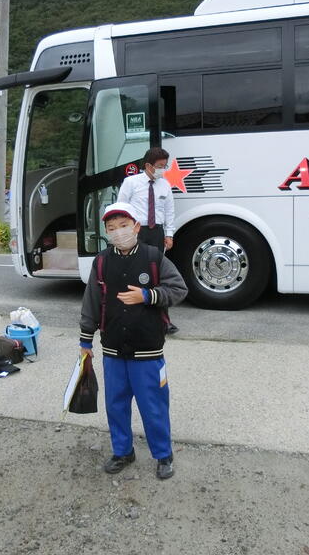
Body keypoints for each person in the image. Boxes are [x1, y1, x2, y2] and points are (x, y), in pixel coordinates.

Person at [79, 202, 188, 480]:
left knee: (154, 406)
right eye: (112, 228)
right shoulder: (101, 262)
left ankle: (163, 455)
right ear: (106, 232)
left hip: (148, 351)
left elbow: (178, 289)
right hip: (113, 349)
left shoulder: (153, 257)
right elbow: (91, 302)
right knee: (115, 404)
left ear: (137, 227)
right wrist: (85, 342)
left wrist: (147, 295)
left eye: (124, 225)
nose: (119, 232)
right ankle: (122, 451)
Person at [118, 147, 179, 334]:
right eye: (160, 166)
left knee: (157, 275)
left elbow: (169, 211)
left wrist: (169, 234)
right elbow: (121, 208)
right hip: (136, 232)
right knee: (133, 272)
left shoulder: (165, 185)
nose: (163, 169)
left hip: (156, 233)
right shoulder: (131, 182)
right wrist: (124, 233)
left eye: (165, 166)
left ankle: (163, 321)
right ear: (148, 165)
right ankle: (131, 318)